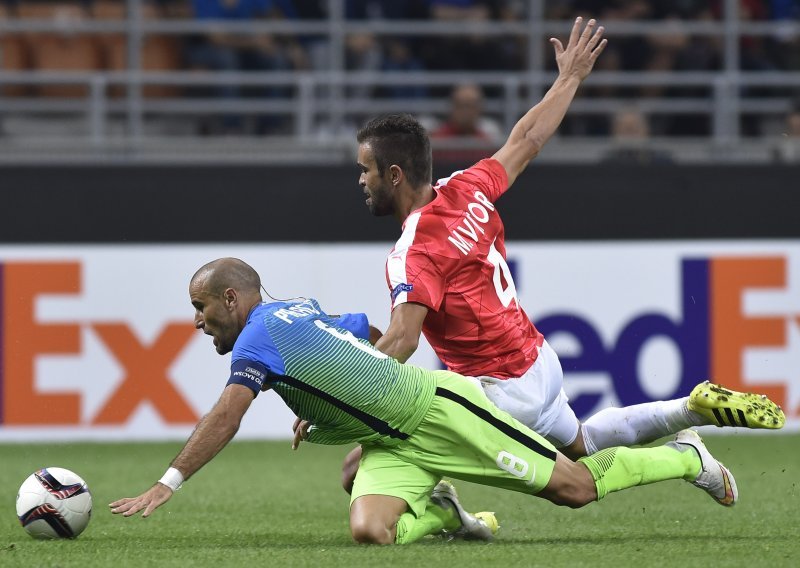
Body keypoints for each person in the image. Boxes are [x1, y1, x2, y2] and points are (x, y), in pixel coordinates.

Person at [330, 16, 785, 493]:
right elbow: (526, 140)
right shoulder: (468, 189)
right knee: (583, 442)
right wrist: (569, 79)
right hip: (537, 362)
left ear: (396, 174)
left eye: (367, 170)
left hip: (498, 391)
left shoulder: (413, 251)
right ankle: (689, 412)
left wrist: (338, 396)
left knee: (358, 470)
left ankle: (450, 509)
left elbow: (402, 340)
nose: (361, 180)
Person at [111, 257, 741, 545]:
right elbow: (354, 327)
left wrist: (169, 481)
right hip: (393, 439)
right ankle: (450, 516)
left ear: (229, 299)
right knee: (368, 530)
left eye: (200, 307)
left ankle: (687, 456)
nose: (196, 322)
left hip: (440, 409)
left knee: (573, 488)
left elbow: (228, 413)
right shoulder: (287, 312)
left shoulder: (257, 336)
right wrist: (325, 394)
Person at [429, 83, 502, 164]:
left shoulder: (487, 146)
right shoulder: (437, 143)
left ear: (480, 109)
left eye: (471, 106)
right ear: (452, 107)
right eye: (461, 105)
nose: (466, 112)